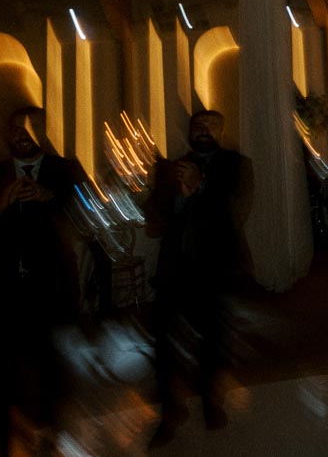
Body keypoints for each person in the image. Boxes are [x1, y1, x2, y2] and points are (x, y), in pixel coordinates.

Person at [0, 106, 86, 456]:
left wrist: (51, 198)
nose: (21, 134)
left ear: (43, 130)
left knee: (49, 364)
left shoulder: (66, 170)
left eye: (30, 128)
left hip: (49, 288)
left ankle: (48, 429)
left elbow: (90, 214)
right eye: (14, 129)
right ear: (6, 134)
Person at [146, 109, 252, 446]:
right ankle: (169, 411)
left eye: (210, 126)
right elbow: (154, 220)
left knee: (214, 340)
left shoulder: (237, 165)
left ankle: (210, 399)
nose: (202, 131)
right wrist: (178, 195)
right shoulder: (169, 166)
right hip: (173, 269)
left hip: (216, 266)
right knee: (163, 342)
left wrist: (200, 186)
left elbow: (235, 212)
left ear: (220, 131)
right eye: (197, 126)